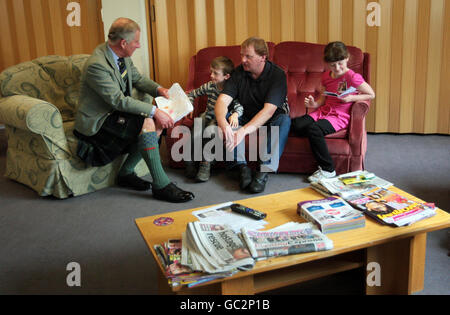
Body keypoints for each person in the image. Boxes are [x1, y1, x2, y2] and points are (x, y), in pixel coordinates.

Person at [73, 17, 194, 203]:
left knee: (154, 122)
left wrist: (160, 90)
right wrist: (154, 111)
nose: (138, 45)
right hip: (98, 121)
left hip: (114, 112)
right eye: (136, 42)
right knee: (150, 119)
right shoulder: (97, 65)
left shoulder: (121, 56)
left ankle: (126, 173)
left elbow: (137, 78)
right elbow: (118, 100)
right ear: (123, 43)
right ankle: (161, 185)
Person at [215, 37, 291, 194]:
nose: (243, 60)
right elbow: (222, 101)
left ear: (263, 57)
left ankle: (263, 171)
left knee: (284, 120)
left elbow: (268, 111)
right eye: (242, 55)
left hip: (270, 118)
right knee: (228, 116)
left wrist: (244, 131)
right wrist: (222, 122)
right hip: (246, 114)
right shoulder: (238, 73)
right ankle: (242, 168)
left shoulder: (277, 75)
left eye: (248, 56)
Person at [291, 41, 375, 183]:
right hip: (323, 111)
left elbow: (371, 94)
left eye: (340, 63)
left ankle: (328, 169)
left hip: (340, 116)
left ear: (347, 58)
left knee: (314, 129)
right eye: (332, 65)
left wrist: (352, 98)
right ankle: (316, 140)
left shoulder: (352, 77)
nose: (337, 68)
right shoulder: (327, 76)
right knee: (296, 125)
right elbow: (325, 96)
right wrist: (314, 104)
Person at [184, 56, 243, 182]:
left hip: (219, 119)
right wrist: (190, 106)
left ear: (226, 76)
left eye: (215, 73)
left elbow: (239, 106)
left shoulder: (231, 90)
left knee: (212, 131)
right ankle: (190, 160)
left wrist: (236, 114)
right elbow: (192, 94)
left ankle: (206, 165)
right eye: (211, 72)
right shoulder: (209, 86)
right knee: (197, 127)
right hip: (207, 114)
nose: (211, 75)